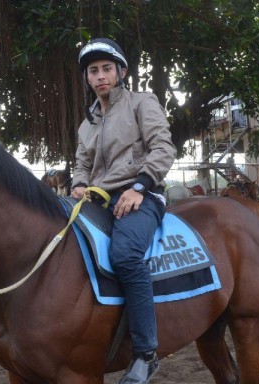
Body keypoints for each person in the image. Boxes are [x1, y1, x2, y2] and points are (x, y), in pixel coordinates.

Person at [71, 38, 177, 384]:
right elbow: (82, 164)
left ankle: (146, 353)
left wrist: (139, 186)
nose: (100, 76)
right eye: (93, 71)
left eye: (106, 69)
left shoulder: (141, 103)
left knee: (125, 253)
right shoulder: (87, 124)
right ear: (87, 78)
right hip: (99, 199)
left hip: (141, 194)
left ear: (120, 73)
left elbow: (163, 146)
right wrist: (77, 184)